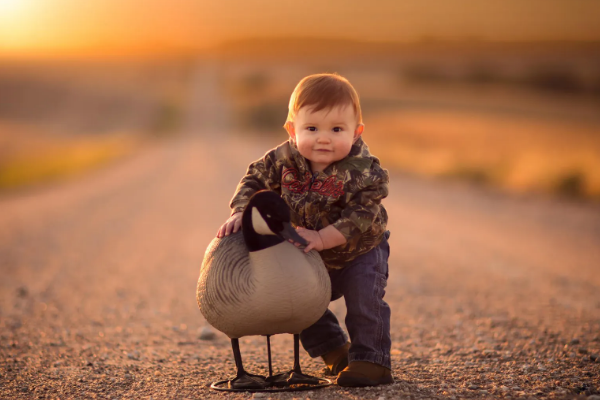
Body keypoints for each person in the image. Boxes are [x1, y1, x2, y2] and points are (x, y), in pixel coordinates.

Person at [216, 73, 392, 387]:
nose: (323, 138)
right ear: (292, 130)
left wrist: (324, 238)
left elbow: (362, 214)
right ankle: (336, 352)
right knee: (297, 301)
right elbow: (253, 180)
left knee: (364, 300)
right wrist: (242, 209)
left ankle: (371, 360)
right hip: (308, 248)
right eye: (311, 128)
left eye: (337, 129)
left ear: (356, 133)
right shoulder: (281, 160)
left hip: (359, 252)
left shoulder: (364, 170)